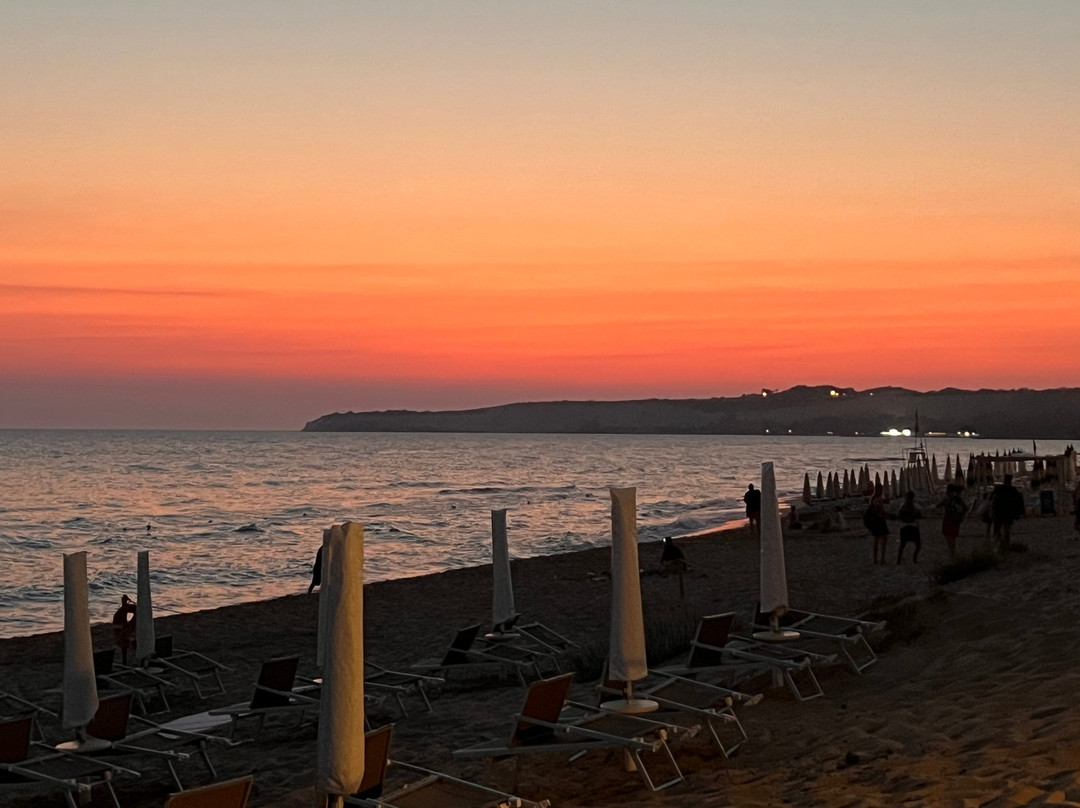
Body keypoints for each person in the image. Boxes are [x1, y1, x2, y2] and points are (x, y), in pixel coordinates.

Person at [990, 474, 1024, 551]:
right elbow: (1017, 502)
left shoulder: (999, 488)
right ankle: (1006, 542)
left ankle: (999, 542)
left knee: (998, 528)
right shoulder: (1013, 490)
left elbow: (992, 498)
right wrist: (1018, 513)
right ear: (1010, 480)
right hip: (1009, 512)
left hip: (999, 511)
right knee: (1007, 528)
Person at [939, 483, 967, 559]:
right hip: (956, 521)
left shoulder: (947, 498)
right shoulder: (958, 498)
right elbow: (965, 507)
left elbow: (938, 505)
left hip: (948, 520)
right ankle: (953, 553)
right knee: (952, 538)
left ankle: (952, 554)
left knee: (948, 537)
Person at [863, 482, 889, 564]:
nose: (881, 491)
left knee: (876, 541)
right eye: (880, 490)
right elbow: (880, 511)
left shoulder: (871, 498)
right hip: (880, 521)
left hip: (874, 521)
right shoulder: (878, 499)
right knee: (883, 541)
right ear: (878, 490)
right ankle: (882, 559)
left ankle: (875, 559)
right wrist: (888, 514)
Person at [896, 490, 922, 563]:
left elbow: (899, 515)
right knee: (918, 545)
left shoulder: (902, 505)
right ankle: (914, 559)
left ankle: (898, 560)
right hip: (914, 526)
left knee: (902, 544)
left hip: (904, 526)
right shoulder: (915, 505)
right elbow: (919, 515)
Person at [112, 594, 137, 665]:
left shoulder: (123, 610)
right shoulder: (121, 612)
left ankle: (125, 660)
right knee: (124, 638)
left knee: (124, 637)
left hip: (123, 628)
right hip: (121, 627)